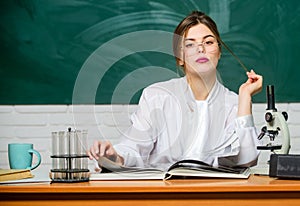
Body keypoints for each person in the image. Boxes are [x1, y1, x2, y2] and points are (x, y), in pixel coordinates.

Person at [87, 11, 263, 170]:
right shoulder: (157, 96)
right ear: (180, 58)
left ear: (219, 52)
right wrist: (114, 157)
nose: (200, 49)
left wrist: (245, 98)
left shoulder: (233, 102)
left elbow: (246, 159)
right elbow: (134, 148)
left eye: (208, 42)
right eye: (190, 44)